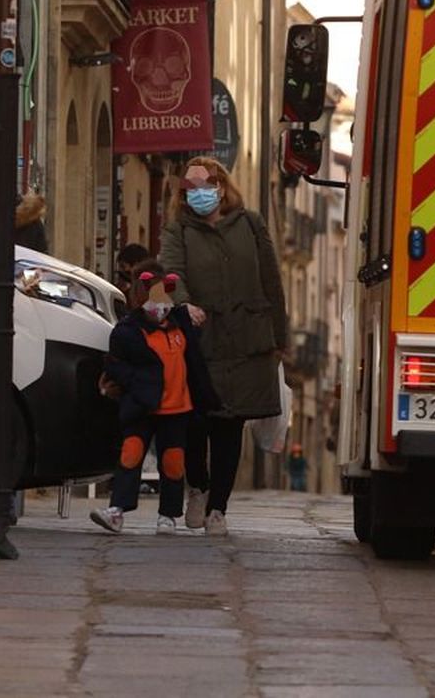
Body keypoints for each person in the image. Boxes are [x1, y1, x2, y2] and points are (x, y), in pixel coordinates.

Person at [160, 156, 287, 537]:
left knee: (232, 424)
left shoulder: (251, 224)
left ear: (222, 184)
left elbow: (272, 279)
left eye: (206, 183)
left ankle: (218, 507)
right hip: (202, 340)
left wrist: (280, 337)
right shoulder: (178, 230)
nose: (199, 192)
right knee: (198, 421)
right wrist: (184, 303)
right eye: (191, 186)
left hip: (248, 338)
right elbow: (171, 273)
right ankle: (197, 487)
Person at [90, 260, 219, 535]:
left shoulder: (180, 326)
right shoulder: (127, 332)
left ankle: (168, 515)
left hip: (177, 409)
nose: (159, 304)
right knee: (131, 453)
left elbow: (195, 356)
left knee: (173, 461)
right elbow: (114, 364)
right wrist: (134, 383)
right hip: (142, 406)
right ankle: (117, 510)